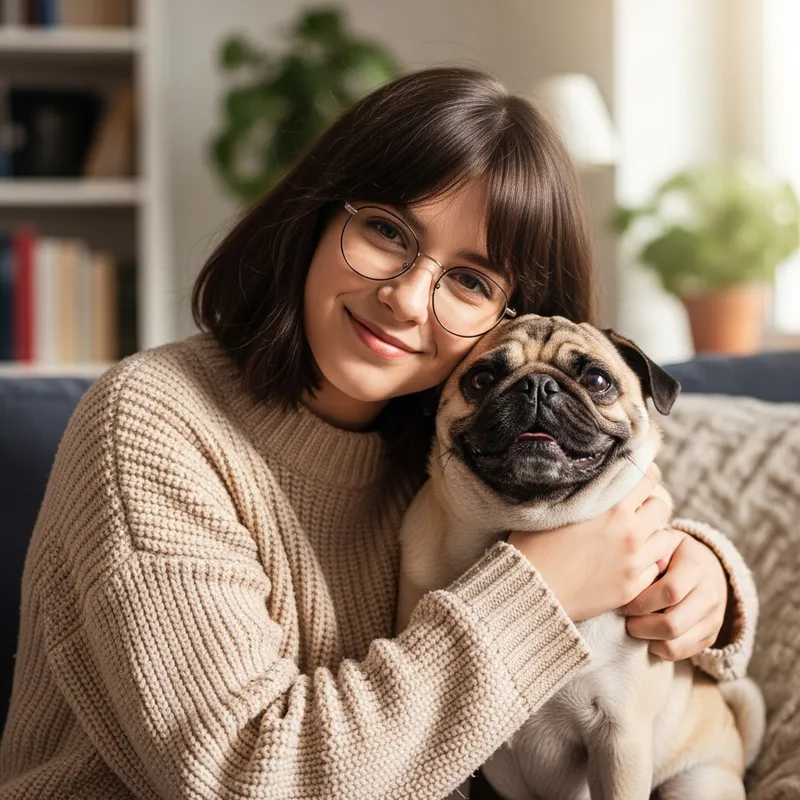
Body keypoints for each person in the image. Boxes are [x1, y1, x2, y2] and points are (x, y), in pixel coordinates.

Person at [0, 67, 756, 799]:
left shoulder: (443, 439)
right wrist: (545, 591)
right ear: (316, 216)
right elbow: (240, 778)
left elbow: (625, 519)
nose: (403, 297)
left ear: (508, 322)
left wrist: (707, 581)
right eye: (388, 232)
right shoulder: (153, 422)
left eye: (470, 280)